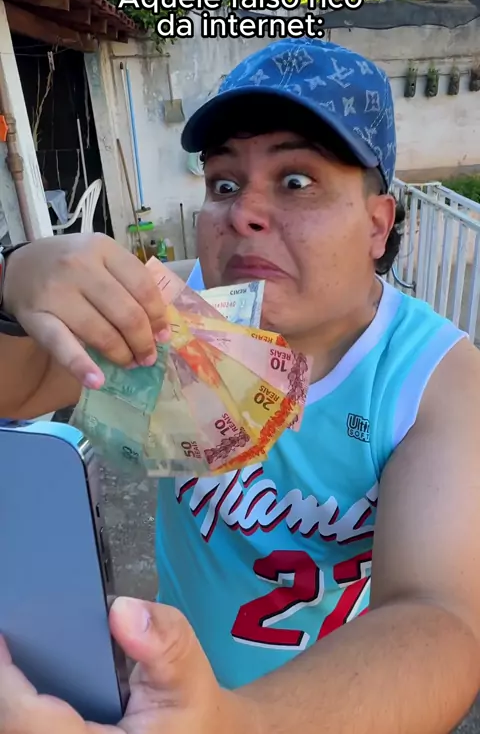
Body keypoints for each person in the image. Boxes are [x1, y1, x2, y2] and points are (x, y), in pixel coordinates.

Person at [1, 37, 480, 734]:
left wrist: (232, 723)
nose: (243, 212)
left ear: (378, 225)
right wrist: (14, 286)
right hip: (168, 682)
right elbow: (18, 392)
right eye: (224, 183)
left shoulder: (432, 379)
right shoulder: (175, 315)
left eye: (297, 181)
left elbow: (439, 616)